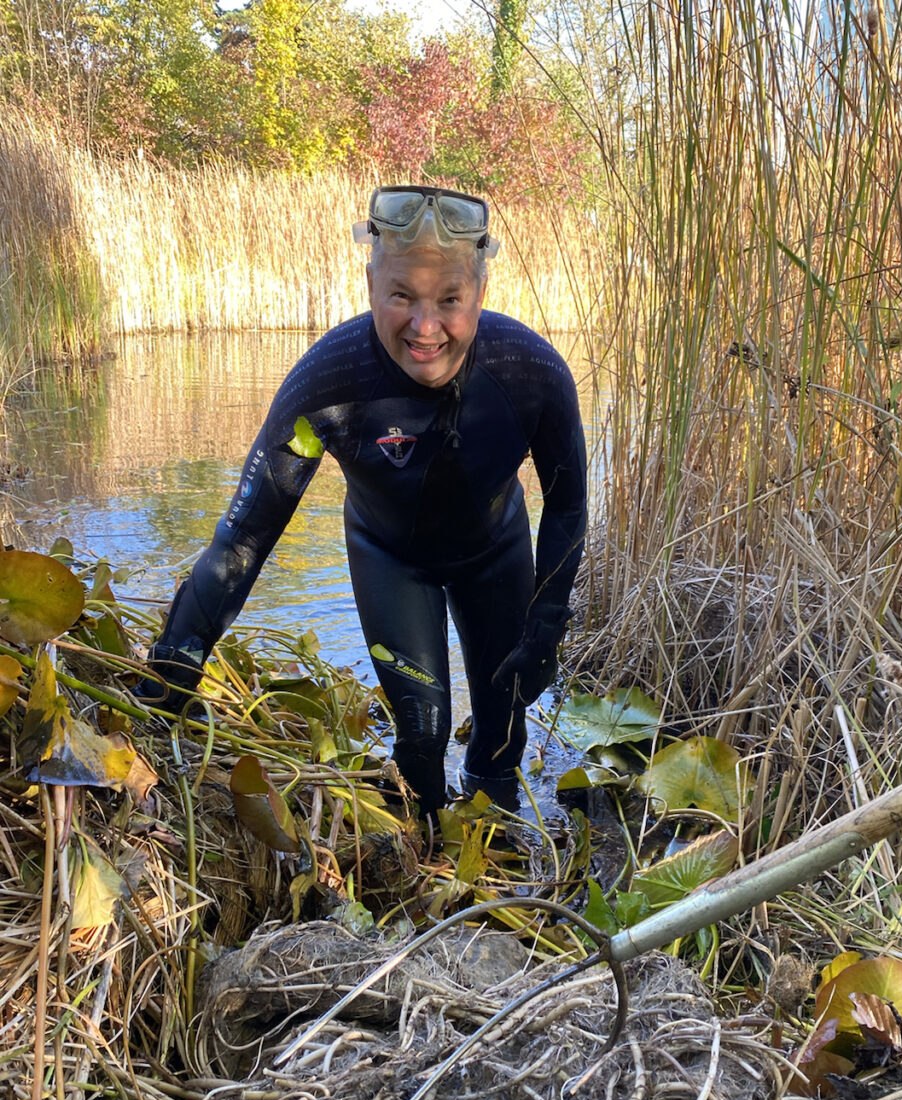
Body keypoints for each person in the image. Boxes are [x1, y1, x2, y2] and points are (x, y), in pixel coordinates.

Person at [137, 185, 587, 819]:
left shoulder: (530, 370)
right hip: (389, 559)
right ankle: (420, 873)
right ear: (371, 285)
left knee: (501, 745)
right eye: (402, 296)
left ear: (478, 295)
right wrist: (170, 672)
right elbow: (245, 537)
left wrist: (546, 626)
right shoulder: (330, 381)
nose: (426, 328)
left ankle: (501, 880)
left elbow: (567, 507)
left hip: (496, 553)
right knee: (423, 740)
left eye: (450, 300)